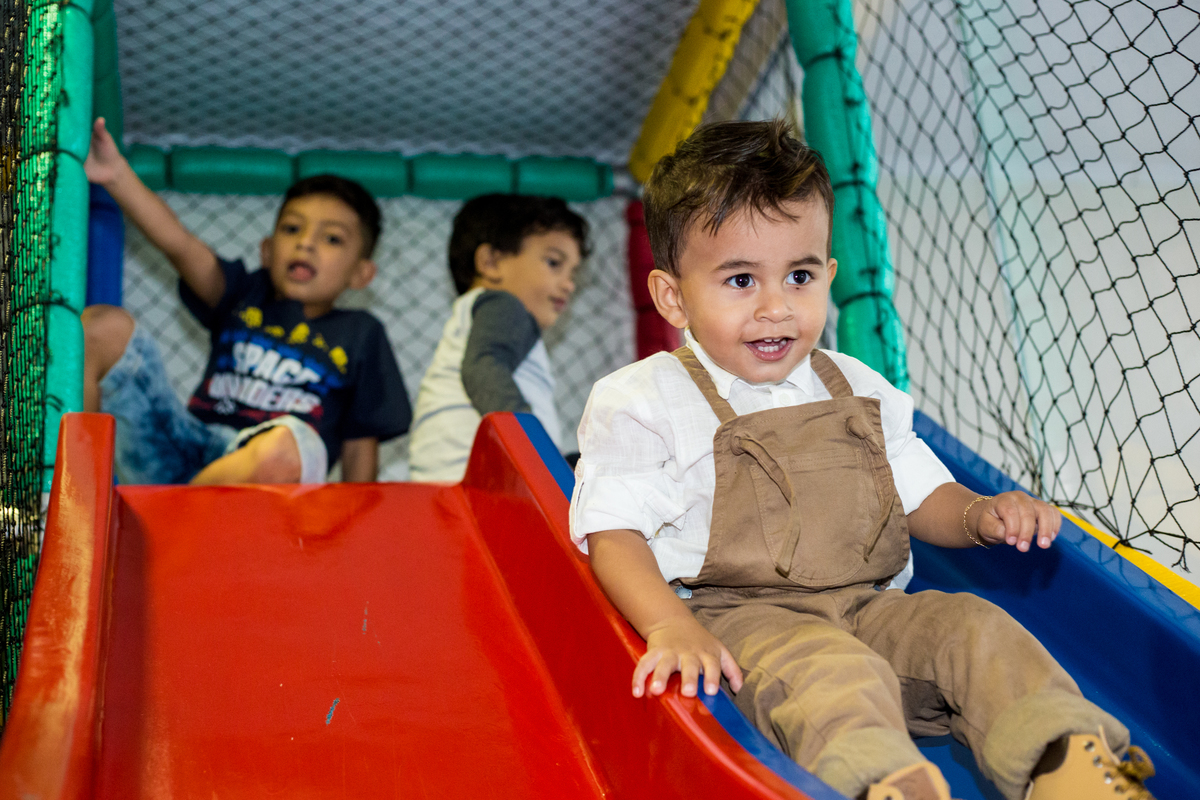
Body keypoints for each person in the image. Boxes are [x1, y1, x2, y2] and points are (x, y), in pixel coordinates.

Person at [569, 121, 1155, 800]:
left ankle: (1069, 766)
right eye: (740, 279)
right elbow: (614, 532)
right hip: (743, 626)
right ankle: (886, 785)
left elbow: (919, 493)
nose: (776, 307)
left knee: (973, 627)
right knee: (835, 672)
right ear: (673, 296)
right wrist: (668, 626)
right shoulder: (644, 399)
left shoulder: (856, 386)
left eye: (799, 276)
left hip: (871, 609)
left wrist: (978, 515)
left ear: (829, 275)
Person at [82, 117, 411, 485]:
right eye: (292, 229)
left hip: (268, 490)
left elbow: (360, 445)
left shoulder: (361, 333)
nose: (305, 243)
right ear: (266, 251)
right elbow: (180, 245)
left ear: (361, 274)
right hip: (186, 454)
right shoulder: (243, 293)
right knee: (103, 327)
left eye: (332, 238)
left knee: (289, 445)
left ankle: (183, 507)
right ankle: (74, 494)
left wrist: (354, 522)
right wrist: (116, 175)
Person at [408, 194, 587, 482]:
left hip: (450, 480)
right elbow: (483, 369)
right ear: (490, 262)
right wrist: (539, 454)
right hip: (484, 481)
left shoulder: (476, 313)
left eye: (573, 273)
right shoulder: (504, 305)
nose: (569, 285)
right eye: (554, 262)